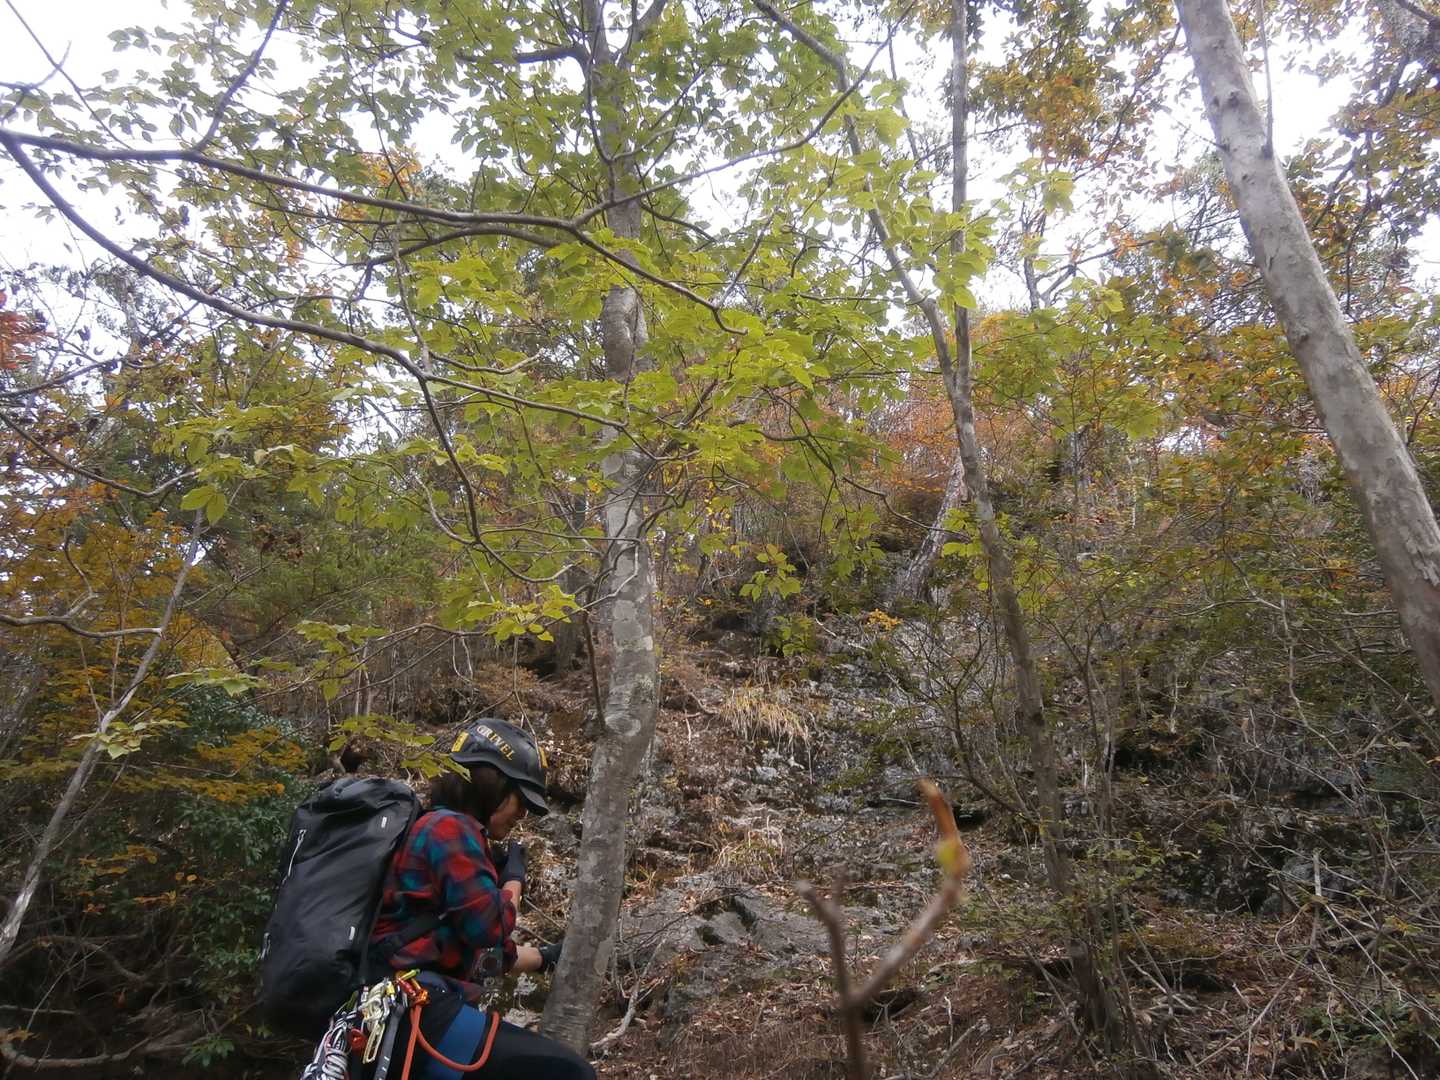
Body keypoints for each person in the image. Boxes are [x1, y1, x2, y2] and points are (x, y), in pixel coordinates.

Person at [368, 718, 595, 1080]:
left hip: (400, 1015)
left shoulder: (434, 828)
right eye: (520, 800)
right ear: (493, 784)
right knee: (570, 1073)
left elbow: (488, 955)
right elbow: (489, 926)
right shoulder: (450, 828)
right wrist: (514, 880)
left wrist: (545, 958)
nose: (522, 815)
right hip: (421, 1011)